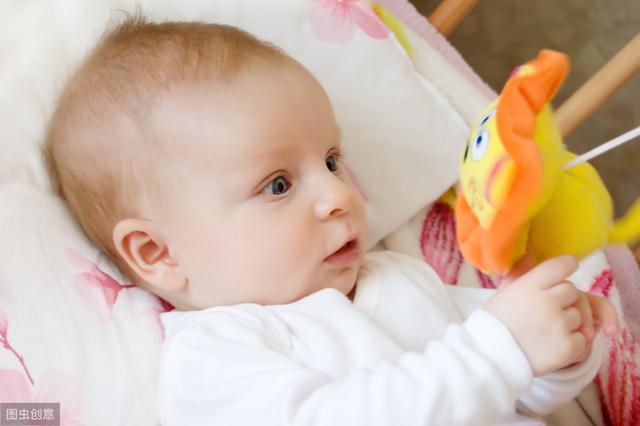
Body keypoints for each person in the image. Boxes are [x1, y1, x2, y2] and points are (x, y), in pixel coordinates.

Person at [43, 16, 619, 426]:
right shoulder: (215, 354)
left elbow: (514, 388)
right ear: (158, 253)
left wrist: (559, 349)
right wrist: (497, 351)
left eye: (332, 160)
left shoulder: (399, 276)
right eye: (278, 184)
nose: (339, 194)